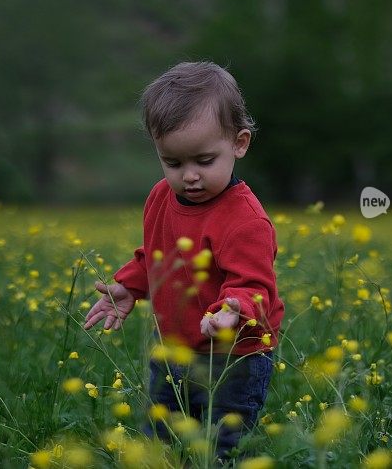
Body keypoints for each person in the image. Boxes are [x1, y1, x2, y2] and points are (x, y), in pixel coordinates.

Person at [83, 61, 284, 460]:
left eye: (204, 161)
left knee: (222, 448)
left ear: (239, 144)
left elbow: (254, 286)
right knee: (161, 441)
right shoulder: (161, 197)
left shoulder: (245, 220)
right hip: (172, 350)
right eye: (173, 163)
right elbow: (156, 257)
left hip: (234, 359)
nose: (188, 176)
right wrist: (129, 285)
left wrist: (232, 310)